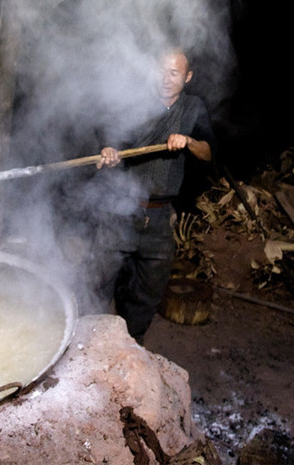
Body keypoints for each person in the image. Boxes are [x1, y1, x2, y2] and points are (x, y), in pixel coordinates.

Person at [92, 48, 215, 344]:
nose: (165, 79)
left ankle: (133, 347)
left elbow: (207, 151)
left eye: (174, 73)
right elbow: (115, 142)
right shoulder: (137, 102)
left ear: (187, 77)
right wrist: (109, 152)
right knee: (100, 281)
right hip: (121, 210)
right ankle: (90, 342)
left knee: (148, 290)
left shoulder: (193, 108)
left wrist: (188, 141)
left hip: (159, 217)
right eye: (161, 71)